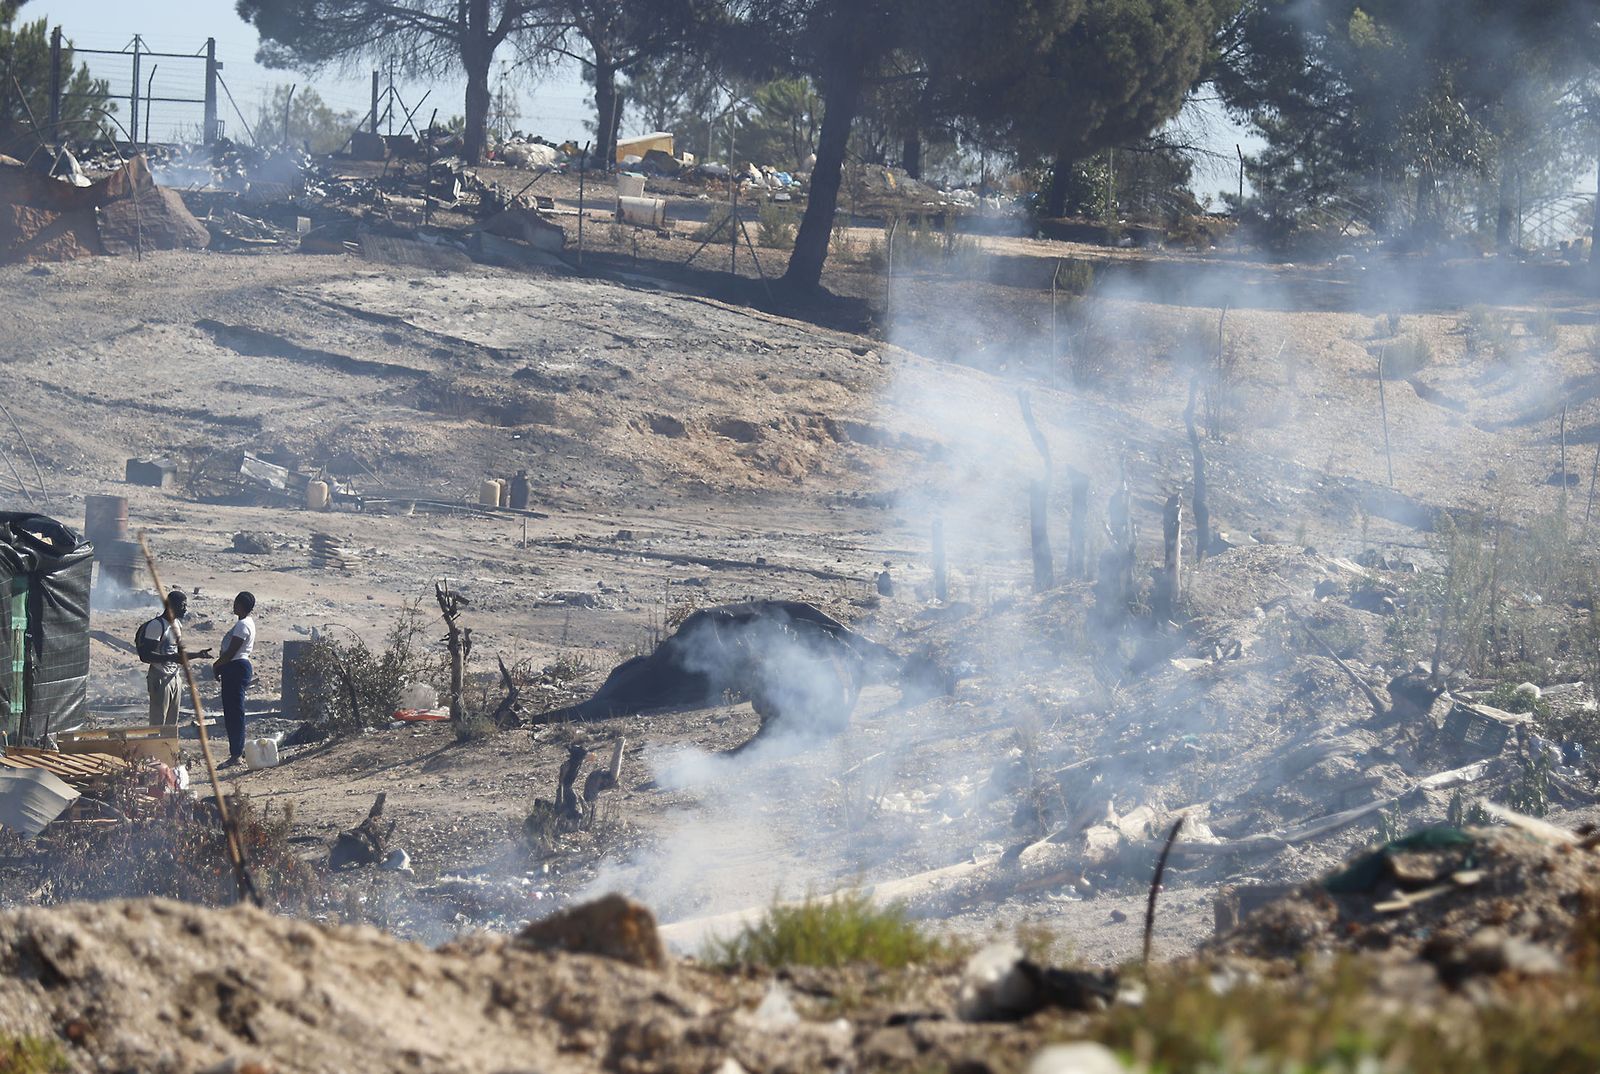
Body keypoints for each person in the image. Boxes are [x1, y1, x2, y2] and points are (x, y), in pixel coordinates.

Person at [136, 591, 210, 731]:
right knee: (158, 723)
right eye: (182, 605)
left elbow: (178, 655)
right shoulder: (157, 626)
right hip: (159, 675)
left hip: (174, 677)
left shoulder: (177, 625)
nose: (185, 609)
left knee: (171, 724)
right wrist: (170, 658)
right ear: (172, 606)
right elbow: (145, 656)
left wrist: (198, 655)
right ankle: (156, 750)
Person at [212, 592, 257, 768]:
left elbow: (231, 652)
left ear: (242, 605)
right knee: (232, 711)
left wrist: (216, 665)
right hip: (235, 667)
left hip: (236, 667)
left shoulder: (243, 625)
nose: (234, 605)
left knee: (234, 712)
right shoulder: (245, 623)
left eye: (236, 603)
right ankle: (236, 751)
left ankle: (236, 754)